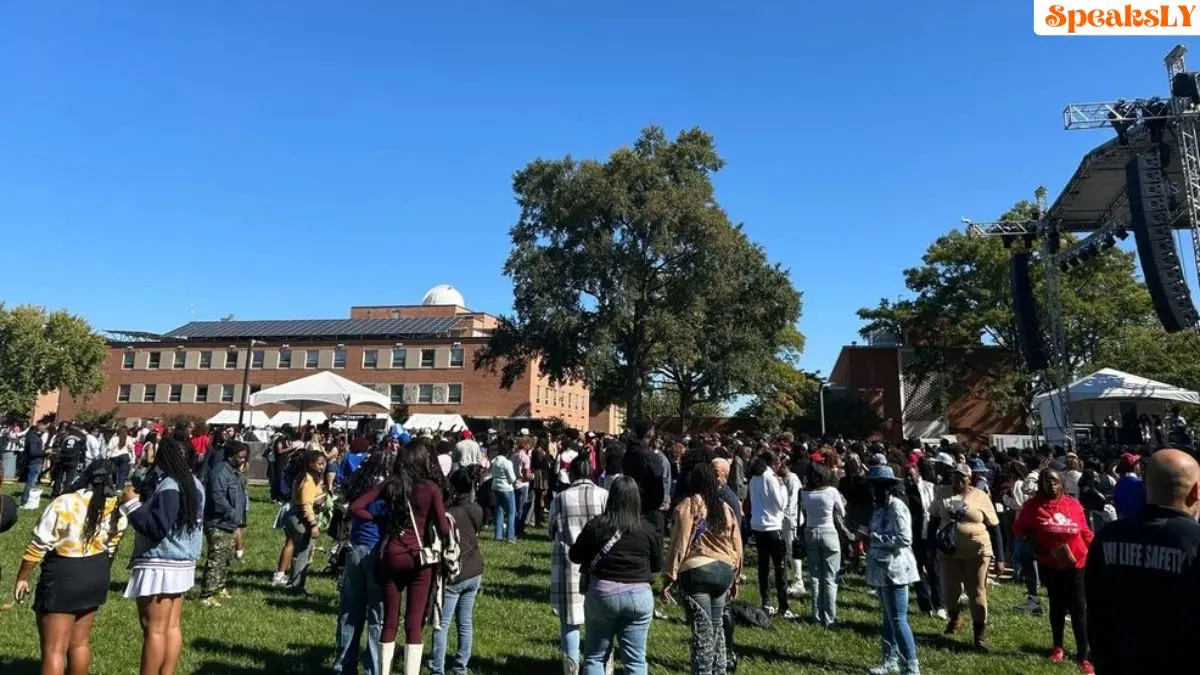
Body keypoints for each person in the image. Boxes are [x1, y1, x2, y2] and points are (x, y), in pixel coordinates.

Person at [1085, 449, 1200, 675]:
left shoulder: (1107, 537)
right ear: (1196, 491)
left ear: (1145, 485)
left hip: (1117, 664)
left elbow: (1095, 608)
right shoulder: (1195, 542)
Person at [11, 460, 127, 675]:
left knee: (54, 650)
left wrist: (23, 576)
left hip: (64, 574)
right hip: (97, 571)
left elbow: (39, 544)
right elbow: (113, 546)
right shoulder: (117, 508)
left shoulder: (65, 502)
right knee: (80, 644)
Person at [119, 436, 205, 675]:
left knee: (153, 629)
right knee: (171, 627)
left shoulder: (170, 485)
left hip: (160, 561)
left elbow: (158, 527)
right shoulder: (195, 483)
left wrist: (131, 505)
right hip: (183, 560)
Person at [370, 440, 450, 675]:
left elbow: (357, 506)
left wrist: (381, 521)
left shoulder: (393, 485)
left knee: (390, 620)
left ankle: (382, 671)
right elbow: (444, 528)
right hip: (419, 556)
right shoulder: (431, 487)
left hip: (393, 552)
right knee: (414, 622)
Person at [570, 476, 662, 675]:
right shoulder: (648, 529)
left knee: (595, 656)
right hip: (639, 595)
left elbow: (575, 555)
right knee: (636, 660)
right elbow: (656, 565)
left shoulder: (598, 525)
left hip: (602, 594)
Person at [1012, 469, 1094, 673]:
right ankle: (1058, 646)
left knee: (1079, 609)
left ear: (1062, 483)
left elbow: (1084, 532)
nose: (1051, 484)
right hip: (1050, 563)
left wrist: (1095, 552)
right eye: (1046, 481)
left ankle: (1084, 654)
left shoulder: (1073, 504)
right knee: (1056, 605)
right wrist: (1031, 539)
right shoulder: (1033, 505)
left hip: (1077, 563)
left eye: (1055, 481)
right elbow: (1018, 528)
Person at [663, 463, 741, 675]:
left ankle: (702, 671)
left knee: (702, 631)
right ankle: (720, 670)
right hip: (724, 569)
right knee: (716, 629)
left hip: (697, 570)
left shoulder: (690, 505)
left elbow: (680, 542)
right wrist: (736, 576)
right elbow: (737, 543)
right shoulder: (725, 508)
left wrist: (669, 575)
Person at [927, 462, 1000, 651]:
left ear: (970, 479)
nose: (958, 479)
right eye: (955, 475)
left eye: (962, 477)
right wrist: (930, 546)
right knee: (950, 592)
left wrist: (1000, 557)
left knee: (977, 592)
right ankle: (955, 617)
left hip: (977, 551)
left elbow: (995, 527)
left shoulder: (981, 496)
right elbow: (934, 520)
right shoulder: (942, 493)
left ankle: (979, 636)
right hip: (948, 551)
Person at [549, 453, 609, 674]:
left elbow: (551, 530)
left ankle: (571, 668)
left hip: (569, 563)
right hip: (601, 563)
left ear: (572, 472)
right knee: (602, 620)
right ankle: (601, 665)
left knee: (569, 619)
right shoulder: (604, 496)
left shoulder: (561, 498)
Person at [333, 451, 392, 675]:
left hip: (356, 546)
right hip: (377, 549)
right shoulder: (388, 489)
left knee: (350, 610)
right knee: (378, 614)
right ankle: (374, 669)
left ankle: (343, 666)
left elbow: (350, 508)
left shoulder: (360, 483)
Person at [864, 464, 921, 675]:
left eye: (875, 488)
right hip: (880, 568)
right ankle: (890, 659)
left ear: (886, 488)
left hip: (896, 569)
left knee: (898, 619)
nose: (872, 492)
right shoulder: (879, 509)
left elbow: (905, 538)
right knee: (887, 617)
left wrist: (876, 538)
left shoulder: (897, 507)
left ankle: (911, 664)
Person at [429, 467, 485, 675]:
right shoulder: (476, 509)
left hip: (455, 571)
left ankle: (437, 666)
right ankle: (461, 664)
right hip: (475, 568)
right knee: (465, 621)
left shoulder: (448, 513)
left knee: (442, 623)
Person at [199, 442, 249, 608]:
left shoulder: (234, 472)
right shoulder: (221, 471)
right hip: (218, 522)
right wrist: (231, 512)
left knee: (226, 557)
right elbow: (217, 496)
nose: (243, 460)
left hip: (230, 522)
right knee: (217, 558)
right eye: (240, 457)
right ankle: (207, 593)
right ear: (230, 455)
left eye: (244, 457)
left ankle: (220, 586)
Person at [748, 451, 792, 619]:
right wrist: (782, 487)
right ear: (770, 463)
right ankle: (783, 605)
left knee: (763, 565)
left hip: (757, 525)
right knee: (780, 567)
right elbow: (781, 504)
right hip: (772, 525)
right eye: (776, 462)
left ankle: (766, 601)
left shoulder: (754, 478)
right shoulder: (771, 478)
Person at [802, 461, 845, 628]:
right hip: (829, 532)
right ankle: (830, 617)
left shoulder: (804, 493)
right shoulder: (831, 491)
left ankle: (816, 615)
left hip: (810, 531)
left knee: (815, 577)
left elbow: (804, 512)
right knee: (830, 578)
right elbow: (842, 511)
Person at [490, 443, 517, 542]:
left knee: (499, 511)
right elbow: (512, 478)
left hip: (496, 487)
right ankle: (510, 536)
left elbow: (492, 474)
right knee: (511, 512)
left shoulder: (494, 461)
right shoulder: (507, 462)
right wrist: (511, 481)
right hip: (507, 488)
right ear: (507, 453)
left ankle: (498, 535)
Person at [1112, 453, 1145, 520]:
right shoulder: (1141, 484)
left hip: (1125, 524)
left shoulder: (1118, 485)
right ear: (1134, 466)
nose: (1139, 465)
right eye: (1137, 463)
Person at [21, 420, 47, 509]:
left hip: (35, 462)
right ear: (40, 426)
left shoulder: (34, 436)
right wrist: (45, 452)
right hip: (34, 462)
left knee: (31, 482)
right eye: (44, 426)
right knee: (31, 483)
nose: (45, 429)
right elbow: (33, 452)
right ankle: (25, 501)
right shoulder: (33, 437)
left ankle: (27, 501)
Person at [107, 425, 136, 490]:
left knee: (114, 471)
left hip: (114, 457)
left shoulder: (114, 438)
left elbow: (109, 448)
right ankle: (119, 489)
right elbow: (131, 449)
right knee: (122, 474)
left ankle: (114, 484)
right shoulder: (128, 438)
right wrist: (133, 458)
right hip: (125, 457)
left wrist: (107, 456)